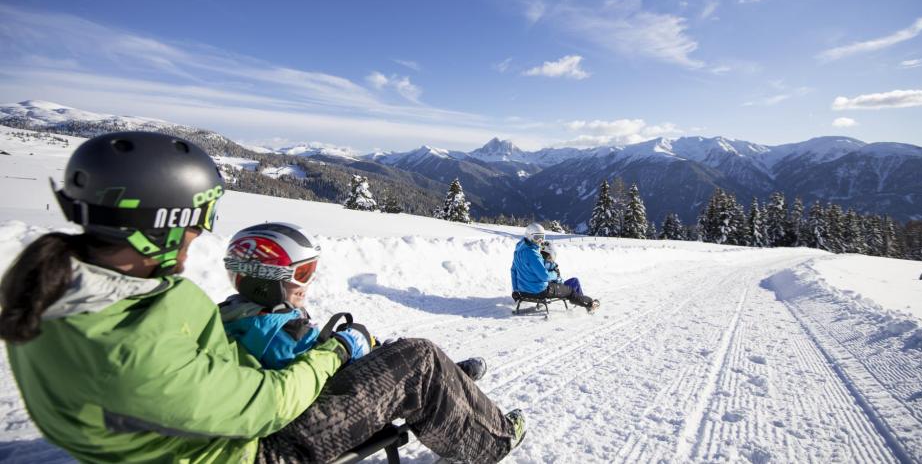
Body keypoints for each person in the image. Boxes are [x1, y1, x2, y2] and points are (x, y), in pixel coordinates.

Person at [0, 131, 525, 464]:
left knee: (383, 365)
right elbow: (265, 407)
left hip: (195, 427)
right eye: (198, 217)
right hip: (256, 449)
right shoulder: (128, 350)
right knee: (417, 358)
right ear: (161, 223)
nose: (200, 232)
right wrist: (336, 352)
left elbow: (206, 367)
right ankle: (495, 439)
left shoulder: (48, 295)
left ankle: (430, 387)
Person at [219, 221, 487, 380]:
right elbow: (313, 372)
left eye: (311, 271)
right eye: (302, 273)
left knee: (383, 346)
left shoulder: (241, 315)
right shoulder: (273, 333)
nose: (308, 282)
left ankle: (441, 373)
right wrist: (350, 345)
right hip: (334, 402)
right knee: (410, 354)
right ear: (265, 278)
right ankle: (439, 379)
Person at [511, 223, 599, 312]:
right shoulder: (533, 254)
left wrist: (515, 289)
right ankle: (590, 304)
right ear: (529, 236)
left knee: (565, 286)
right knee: (570, 291)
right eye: (537, 237)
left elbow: (513, 270)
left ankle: (585, 303)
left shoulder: (518, 251)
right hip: (540, 291)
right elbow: (544, 276)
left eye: (542, 237)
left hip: (523, 291)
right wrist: (555, 274)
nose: (540, 241)